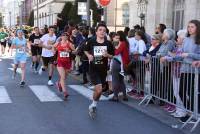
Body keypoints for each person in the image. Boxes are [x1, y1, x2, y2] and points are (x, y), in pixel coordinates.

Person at [84, 23, 114, 118]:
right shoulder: (91, 41)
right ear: (96, 32)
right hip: (93, 69)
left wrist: (107, 55)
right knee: (99, 89)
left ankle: (93, 105)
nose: (102, 32)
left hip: (103, 69)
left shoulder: (108, 43)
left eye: (104, 30)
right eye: (100, 30)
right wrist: (89, 56)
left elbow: (112, 55)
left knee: (98, 91)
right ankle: (93, 105)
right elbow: (85, 50)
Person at [53, 32, 75, 100]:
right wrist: (54, 52)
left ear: (68, 37)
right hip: (60, 62)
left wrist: (69, 51)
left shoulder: (70, 44)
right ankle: (65, 92)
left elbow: (75, 51)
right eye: (63, 35)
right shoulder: (58, 43)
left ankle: (59, 84)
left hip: (67, 62)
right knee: (62, 77)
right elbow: (53, 47)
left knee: (64, 77)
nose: (65, 36)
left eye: (66, 35)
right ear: (61, 36)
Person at [110, 31, 130, 102]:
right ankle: (124, 96)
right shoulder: (125, 43)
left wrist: (114, 48)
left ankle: (115, 96)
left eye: (118, 37)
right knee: (121, 80)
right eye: (116, 38)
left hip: (117, 63)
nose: (117, 39)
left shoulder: (121, 44)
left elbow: (116, 53)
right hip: (122, 64)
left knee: (115, 80)